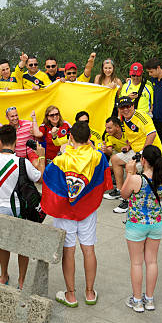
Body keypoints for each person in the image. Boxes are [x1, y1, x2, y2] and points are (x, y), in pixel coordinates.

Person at [41, 121, 113, 307]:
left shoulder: (62, 159)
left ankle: (71, 295)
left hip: (66, 212)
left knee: (69, 251)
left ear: (70, 137)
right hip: (87, 210)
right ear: (90, 138)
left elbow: (48, 180)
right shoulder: (98, 157)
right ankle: (89, 292)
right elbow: (104, 180)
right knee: (89, 249)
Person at [0, 125, 45, 289]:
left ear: (0, 140)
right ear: (16, 141)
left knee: (4, 244)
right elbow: (39, 178)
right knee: (22, 245)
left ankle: (3, 276)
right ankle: (22, 281)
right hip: (22, 210)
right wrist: (42, 157)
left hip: (4, 208)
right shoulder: (22, 162)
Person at [120, 145, 162, 312]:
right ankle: (149, 299)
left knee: (136, 263)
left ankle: (137, 300)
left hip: (136, 224)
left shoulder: (136, 179)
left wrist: (130, 172)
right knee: (152, 261)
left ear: (144, 160)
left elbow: (124, 195)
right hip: (156, 223)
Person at [106, 96, 162, 214]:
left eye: (128, 106)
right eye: (122, 107)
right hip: (136, 150)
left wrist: (143, 153)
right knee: (115, 159)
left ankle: (128, 200)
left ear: (133, 106)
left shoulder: (141, 117)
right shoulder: (123, 118)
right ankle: (119, 190)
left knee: (131, 168)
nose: (125, 109)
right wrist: (129, 146)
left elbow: (151, 134)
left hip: (150, 152)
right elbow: (135, 135)